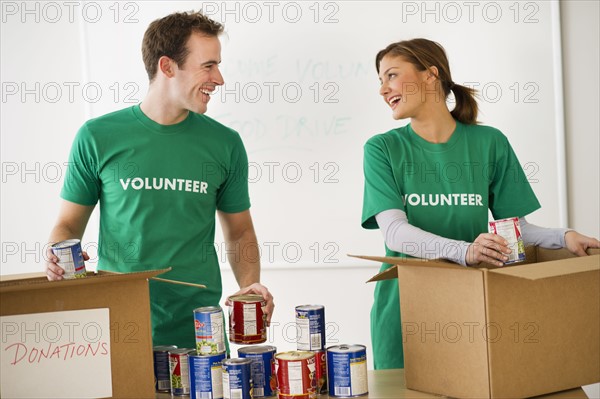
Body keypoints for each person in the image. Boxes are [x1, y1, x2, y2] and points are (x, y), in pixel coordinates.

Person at [361, 38, 600, 369]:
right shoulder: (382, 148)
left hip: (472, 306)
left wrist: (564, 238)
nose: (383, 89)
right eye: (381, 80)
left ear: (430, 75)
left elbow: (515, 230)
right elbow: (396, 234)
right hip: (404, 308)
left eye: (391, 75)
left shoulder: (490, 143)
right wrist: (466, 251)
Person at [45, 11, 274, 349]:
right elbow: (67, 226)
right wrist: (55, 254)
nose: (219, 78)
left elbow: (240, 230)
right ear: (167, 67)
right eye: (208, 66)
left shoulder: (226, 144)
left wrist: (251, 284)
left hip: (200, 331)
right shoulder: (97, 136)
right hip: (118, 328)